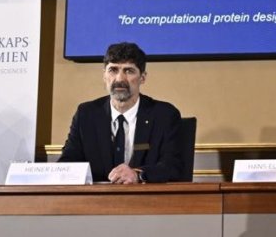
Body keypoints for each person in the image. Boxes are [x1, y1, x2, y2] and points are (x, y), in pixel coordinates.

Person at [58, 42, 183, 183]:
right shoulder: (86, 114)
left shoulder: (164, 115)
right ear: (104, 76)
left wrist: (138, 175)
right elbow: (67, 163)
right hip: (96, 201)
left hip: (147, 200)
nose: (119, 79)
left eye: (129, 71)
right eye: (113, 70)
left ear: (142, 77)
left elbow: (174, 166)